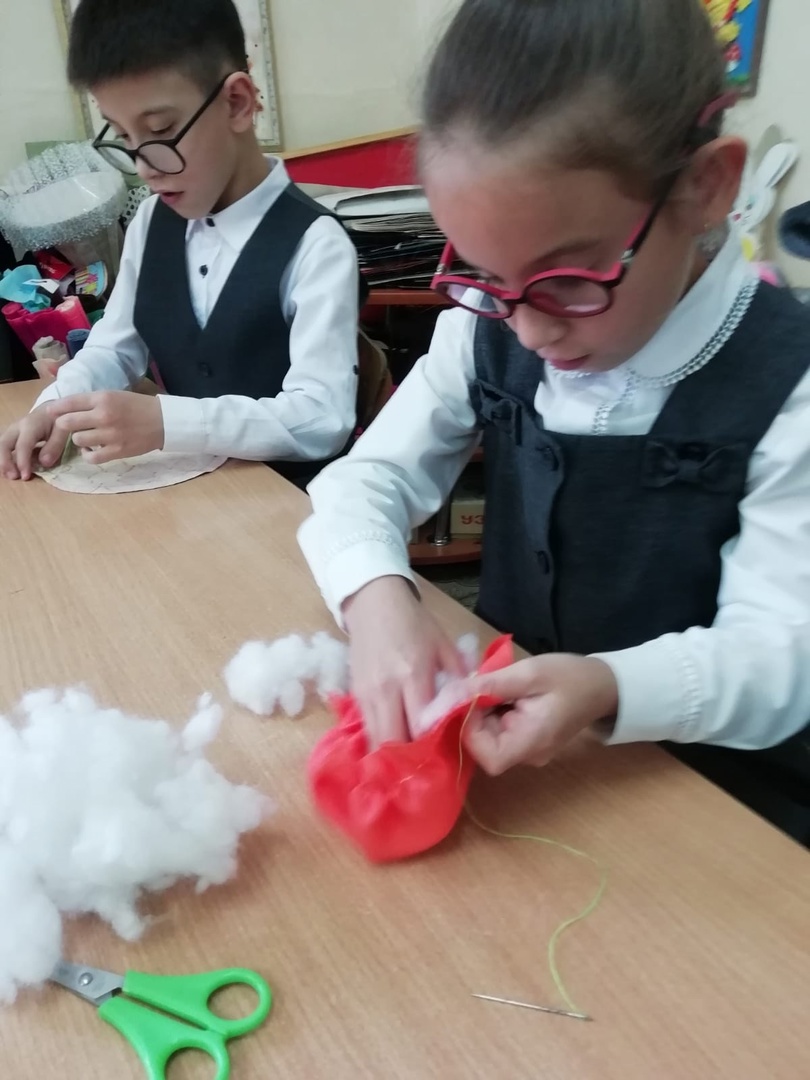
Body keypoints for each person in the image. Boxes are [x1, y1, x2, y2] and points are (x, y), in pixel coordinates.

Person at [297, 0, 810, 821]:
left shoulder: (790, 379)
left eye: (569, 279)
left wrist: (609, 684)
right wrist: (377, 596)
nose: (530, 330)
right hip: (536, 791)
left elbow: (781, 656)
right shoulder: (489, 324)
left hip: (716, 805)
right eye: (483, 272)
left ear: (707, 187)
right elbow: (364, 480)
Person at [0, 0, 361, 490]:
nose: (144, 167)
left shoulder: (316, 243)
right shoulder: (151, 221)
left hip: (292, 500)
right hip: (192, 496)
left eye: (161, 131)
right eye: (123, 136)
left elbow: (321, 418)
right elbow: (114, 348)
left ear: (237, 102)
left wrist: (165, 421)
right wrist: (53, 409)